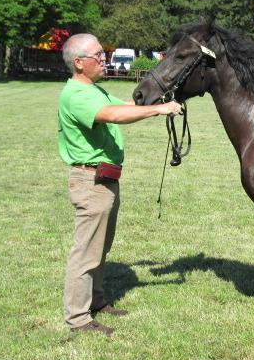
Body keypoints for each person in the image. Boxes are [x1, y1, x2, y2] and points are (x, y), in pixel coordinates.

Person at [58, 33, 181, 336]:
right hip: (91, 181)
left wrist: (159, 99)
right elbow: (114, 115)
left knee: (100, 247)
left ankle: (97, 301)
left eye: (103, 54)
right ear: (78, 62)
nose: (104, 60)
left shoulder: (95, 90)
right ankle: (78, 317)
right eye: (97, 56)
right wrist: (160, 110)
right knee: (86, 251)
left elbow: (126, 104)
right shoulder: (76, 94)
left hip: (106, 179)